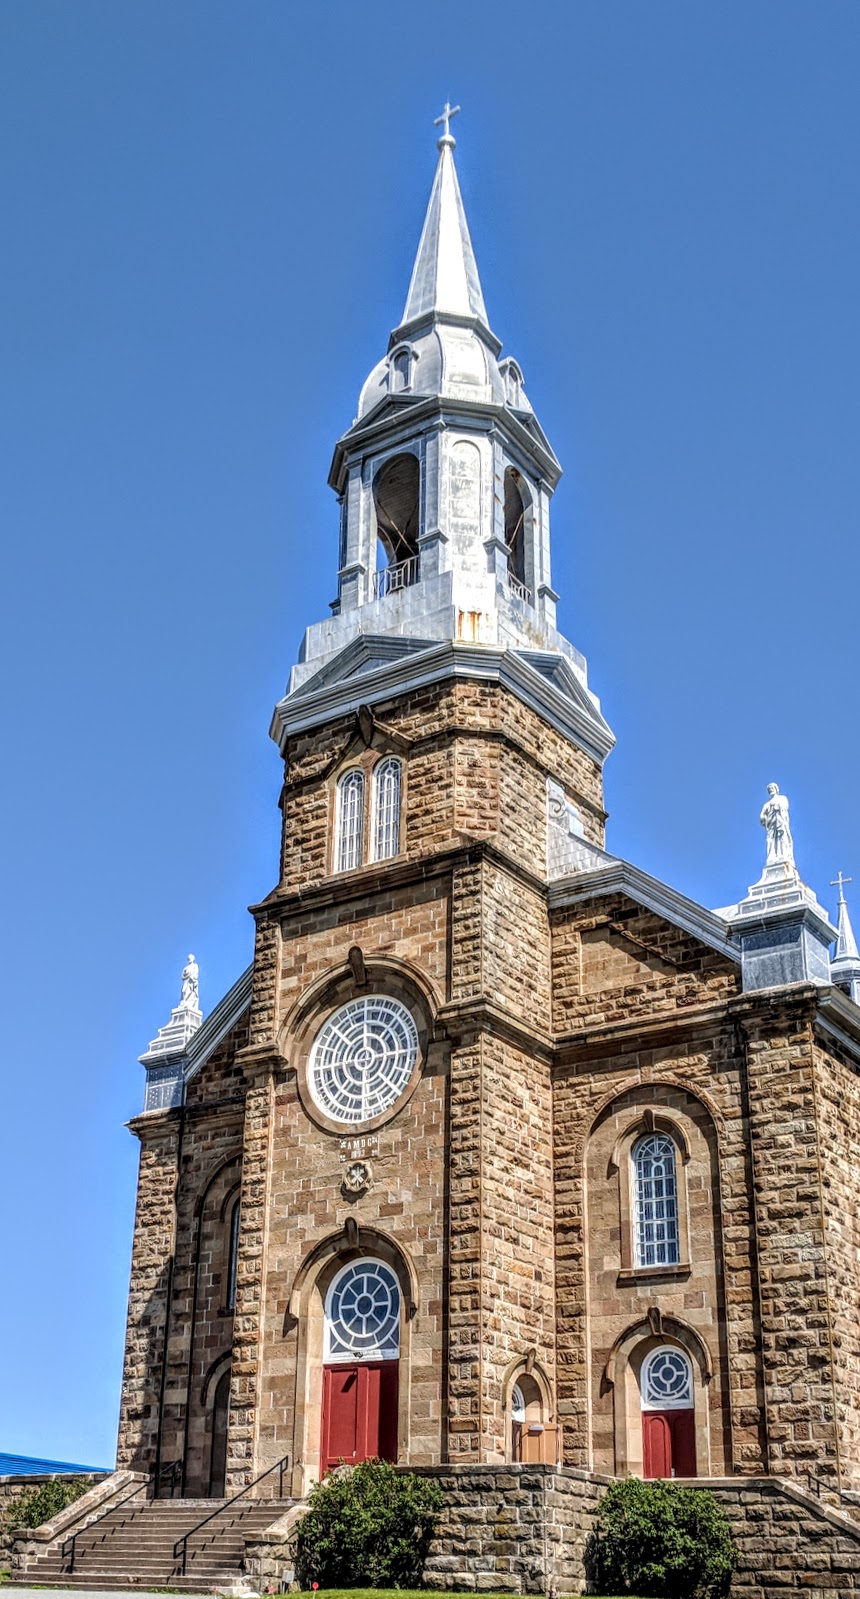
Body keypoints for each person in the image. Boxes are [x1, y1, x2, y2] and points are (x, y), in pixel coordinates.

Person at [760, 784, 795, 869]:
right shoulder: (766, 804)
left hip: (780, 821)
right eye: (769, 789)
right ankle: (772, 856)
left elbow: (785, 807)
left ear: (776, 789)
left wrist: (778, 808)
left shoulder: (782, 798)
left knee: (782, 837)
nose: (771, 790)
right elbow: (761, 816)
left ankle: (783, 854)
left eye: (772, 788)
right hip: (771, 824)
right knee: (770, 840)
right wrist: (764, 818)